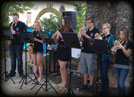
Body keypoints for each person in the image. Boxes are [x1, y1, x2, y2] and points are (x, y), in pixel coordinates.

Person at [79, 16, 99, 92]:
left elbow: (94, 41)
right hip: (83, 51)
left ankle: (91, 85)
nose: (87, 24)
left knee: (90, 69)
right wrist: (81, 34)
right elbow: (81, 40)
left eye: (88, 22)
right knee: (84, 69)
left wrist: (85, 35)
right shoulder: (86, 30)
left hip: (91, 53)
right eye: (86, 22)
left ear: (92, 22)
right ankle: (84, 84)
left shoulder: (96, 31)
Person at [52, 16, 73, 88]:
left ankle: (64, 83)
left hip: (65, 50)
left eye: (63, 22)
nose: (62, 23)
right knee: (61, 68)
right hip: (59, 49)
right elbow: (56, 41)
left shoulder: (70, 30)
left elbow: (68, 41)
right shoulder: (60, 29)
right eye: (62, 21)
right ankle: (63, 82)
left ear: (67, 22)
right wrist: (56, 36)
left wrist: (60, 35)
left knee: (63, 67)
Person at [113, 27, 132, 96]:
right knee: (118, 84)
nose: (120, 36)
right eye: (120, 34)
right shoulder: (119, 42)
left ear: (126, 35)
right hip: (116, 65)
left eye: (122, 34)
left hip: (124, 66)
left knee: (121, 84)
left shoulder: (129, 43)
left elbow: (127, 54)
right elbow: (113, 53)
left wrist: (122, 47)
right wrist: (114, 46)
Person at [8, 12, 27, 77]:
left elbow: (24, 33)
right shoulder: (11, 24)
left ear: (18, 17)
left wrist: (16, 32)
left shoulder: (22, 24)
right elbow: (8, 32)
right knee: (12, 59)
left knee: (19, 59)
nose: (14, 20)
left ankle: (20, 72)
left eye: (15, 18)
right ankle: (12, 72)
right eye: (13, 18)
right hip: (11, 43)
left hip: (19, 44)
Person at [98, 23, 114, 95]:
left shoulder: (111, 37)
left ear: (108, 28)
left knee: (104, 74)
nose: (103, 30)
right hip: (100, 57)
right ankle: (102, 89)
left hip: (106, 57)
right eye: (102, 28)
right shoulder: (102, 36)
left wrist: (102, 41)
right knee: (101, 74)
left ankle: (106, 90)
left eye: (104, 28)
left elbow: (110, 47)